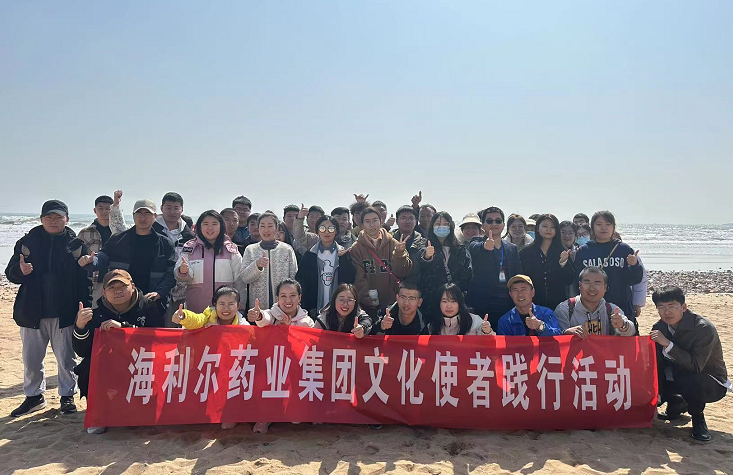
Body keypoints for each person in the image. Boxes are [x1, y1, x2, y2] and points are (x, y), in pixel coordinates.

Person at [6, 200, 91, 417]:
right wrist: (20, 271)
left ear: (67, 219)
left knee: (66, 358)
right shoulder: (27, 243)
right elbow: (10, 273)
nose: (54, 221)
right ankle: (34, 397)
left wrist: (84, 307)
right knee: (31, 359)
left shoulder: (76, 245)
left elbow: (85, 280)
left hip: (65, 312)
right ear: (41, 219)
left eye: (58, 217)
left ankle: (67, 396)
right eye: (49, 217)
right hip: (32, 311)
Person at [73, 269, 164, 433]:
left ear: (133, 286)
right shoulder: (96, 314)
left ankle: (143, 408)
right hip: (111, 364)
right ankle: (98, 414)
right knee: (87, 366)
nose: (118, 291)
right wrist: (80, 327)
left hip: (140, 362)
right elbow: (82, 351)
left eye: (122, 286)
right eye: (112, 288)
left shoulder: (149, 306)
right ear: (104, 292)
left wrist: (125, 329)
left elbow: (159, 340)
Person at [650, 286, 731, 442]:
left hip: (709, 381)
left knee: (690, 379)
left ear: (684, 307)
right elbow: (656, 362)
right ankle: (676, 403)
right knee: (652, 370)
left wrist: (667, 344)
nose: (667, 312)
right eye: (661, 307)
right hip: (677, 376)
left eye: (672, 306)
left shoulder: (703, 328)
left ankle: (698, 419)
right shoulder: (659, 328)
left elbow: (695, 366)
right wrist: (656, 395)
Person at [79, 199, 177, 307]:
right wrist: (91, 261)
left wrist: (160, 292)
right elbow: (102, 258)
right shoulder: (118, 239)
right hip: (120, 300)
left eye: (147, 213)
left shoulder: (165, 243)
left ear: (155, 216)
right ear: (133, 216)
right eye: (139, 213)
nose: (143, 218)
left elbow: (171, 272)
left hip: (153, 301)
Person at [247, 278, 314, 434]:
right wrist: (258, 316)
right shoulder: (273, 314)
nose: (288, 300)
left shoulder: (306, 322)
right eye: (283, 296)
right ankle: (266, 416)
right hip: (271, 366)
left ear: (299, 298)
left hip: (295, 368)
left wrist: (289, 333)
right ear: (277, 298)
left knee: (296, 419)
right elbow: (264, 319)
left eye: (292, 295)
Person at [574, 210, 644, 327]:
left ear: (613, 227)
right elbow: (578, 280)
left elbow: (634, 280)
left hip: (621, 303)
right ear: (592, 227)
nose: (603, 228)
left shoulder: (624, 249)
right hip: (592, 306)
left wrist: (634, 265)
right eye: (599, 224)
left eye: (608, 224)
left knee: (623, 334)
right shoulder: (584, 251)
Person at [174, 211, 244, 313]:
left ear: (221, 226)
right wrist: (183, 271)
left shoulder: (231, 250)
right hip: (196, 310)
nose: (210, 228)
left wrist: (241, 308)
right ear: (199, 226)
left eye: (214, 224)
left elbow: (240, 281)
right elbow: (180, 277)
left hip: (225, 312)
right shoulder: (190, 248)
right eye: (206, 224)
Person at [349, 207, 413, 317]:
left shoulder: (394, 243)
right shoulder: (356, 248)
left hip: (393, 303)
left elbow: (403, 272)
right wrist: (367, 300)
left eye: (375, 220)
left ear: (381, 221)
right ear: (362, 224)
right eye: (367, 221)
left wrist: (399, 254)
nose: (372, 225)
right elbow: (359, 278)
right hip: (369, 305)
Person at [466, 206, 521, 329]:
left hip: (507, 305)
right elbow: (475, 248)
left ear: (503, 225)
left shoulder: (512, 248)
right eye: (489, 221)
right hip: (482, 306)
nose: (494, 224)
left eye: (498, 221)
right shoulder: (476, 242)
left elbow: (518, 276)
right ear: (483, 225)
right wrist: (485, 247)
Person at [295, 215, 356, 316]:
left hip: (340, 308)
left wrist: (344, 260)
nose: (326, 232)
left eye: (331, 228)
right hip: (314, 308)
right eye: (322, 228)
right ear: (317, 231)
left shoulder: (344, 254)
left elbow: (351, 279)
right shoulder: (310, 255)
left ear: (336, 231)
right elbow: (301, 282)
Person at [418, 212, 473, 320]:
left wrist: (451, 291)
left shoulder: (460, 249)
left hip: (454, 301)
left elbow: (467, 275)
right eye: (437, 224)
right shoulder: (424, 246)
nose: (441, 227)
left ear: (451, 226)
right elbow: (420, 270)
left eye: (445, 224)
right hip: (430, 303)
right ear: (432, 226)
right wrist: (427, 257)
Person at [554, 267, 635, 338]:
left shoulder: (611, 310)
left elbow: (631, 331)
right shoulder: (565, 309)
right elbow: (555, 338)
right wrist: (566, 332)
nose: (592, 288)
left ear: (605, 288)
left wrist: (623, 325)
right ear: (580, 285)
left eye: (597, 283)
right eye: (587, 283)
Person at [241, 212, 298, 311]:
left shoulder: (287, 249)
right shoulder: (250, 250)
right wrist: (257, 265)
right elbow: (244, 278)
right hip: (258, 306)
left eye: (270, 226)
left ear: (276, 228)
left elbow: (294, 277)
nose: (266, 230)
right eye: (262, 226)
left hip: (283, 305)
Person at [519, 214, 575, 310]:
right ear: (537, 228)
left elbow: (569, 279)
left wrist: (563, 263)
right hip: (532, 304)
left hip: (557, 305)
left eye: (553, 227)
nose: (548, 229)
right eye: (545, 226)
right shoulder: (526, 252)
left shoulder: (562, 252)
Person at [77, 194, 122, 307]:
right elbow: (77, 258)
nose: (104, 211)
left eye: (108, 208)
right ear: (94, 210)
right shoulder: (84, 233)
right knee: (95, 312)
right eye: (100, 208)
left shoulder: (119, 232)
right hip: (94, 282)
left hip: (116, 280)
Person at [497, 275, 562, 336]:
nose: (520, 294)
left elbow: (558, 336)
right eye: (515, 290)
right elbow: (502, 343)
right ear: (510, 294)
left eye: (523, 289)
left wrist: (540, 326)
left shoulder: (546, 313)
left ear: (533, 292)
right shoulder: (505, 321)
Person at [172, 286, 248, 328]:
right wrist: (184, 316)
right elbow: (197, 320)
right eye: (222, 304)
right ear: (215, 305)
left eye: (231, 304)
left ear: (238, 306)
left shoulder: (243, 325)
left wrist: (220, 331)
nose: (226, 308)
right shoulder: (208, 316)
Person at [391, 205, 427, 285]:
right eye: (403, 218)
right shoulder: (389, 241)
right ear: (397, 221)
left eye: (411, 218)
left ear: (416, 221)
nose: (407, 221)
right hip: (392, 286)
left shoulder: (424, 242)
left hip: (417, 287)